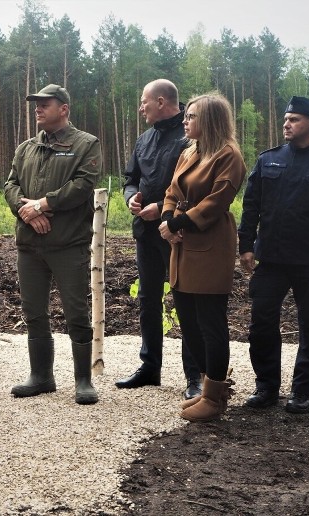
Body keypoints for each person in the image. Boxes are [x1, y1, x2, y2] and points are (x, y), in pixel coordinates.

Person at [4, 84, 101, 405]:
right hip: (30, 245)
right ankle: (42, 376)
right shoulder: (25, 148)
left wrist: (44, 204)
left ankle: (83, 380)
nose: (38, 108)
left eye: (45, 103)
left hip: (68, 244)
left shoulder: (86, 145)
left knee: (76, 311)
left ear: (64, 109)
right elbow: (11, 184)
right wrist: (27, 211)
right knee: (33, 311)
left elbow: (84, 185)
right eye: (36, 104)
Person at [158, 92, 246, 422]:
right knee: (189, 322)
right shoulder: (189, 152)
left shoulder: (228, 155)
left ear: (209, 121)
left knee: (210, 321)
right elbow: (171, 192)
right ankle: (213, 385)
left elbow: (216, 201)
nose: (184, 120)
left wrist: (177, 223)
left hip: (210, 244)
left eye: (191, 116)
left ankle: (213, 398)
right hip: (182, 245)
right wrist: (168, 220)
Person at [238, 96, 309, 414]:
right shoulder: (269, 160)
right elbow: (251, 205)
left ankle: (302, 392)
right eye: (286, 119)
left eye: (295, 119)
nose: (287, 124)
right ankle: (266, 388)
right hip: (271, 260)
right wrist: (246, 245)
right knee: (261, 324)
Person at [117, 79, 202, 399]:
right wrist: (130, 200)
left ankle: (194, 376)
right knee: (148, 300)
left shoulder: (190, 138)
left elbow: (195, 186)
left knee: (186, 300)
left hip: (179, 233)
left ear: (162, 101)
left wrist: (163, 209)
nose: (140, 108)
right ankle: (150, 367)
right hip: (145, 233)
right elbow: (131, 179)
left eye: (144, 102)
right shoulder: (143, 141)